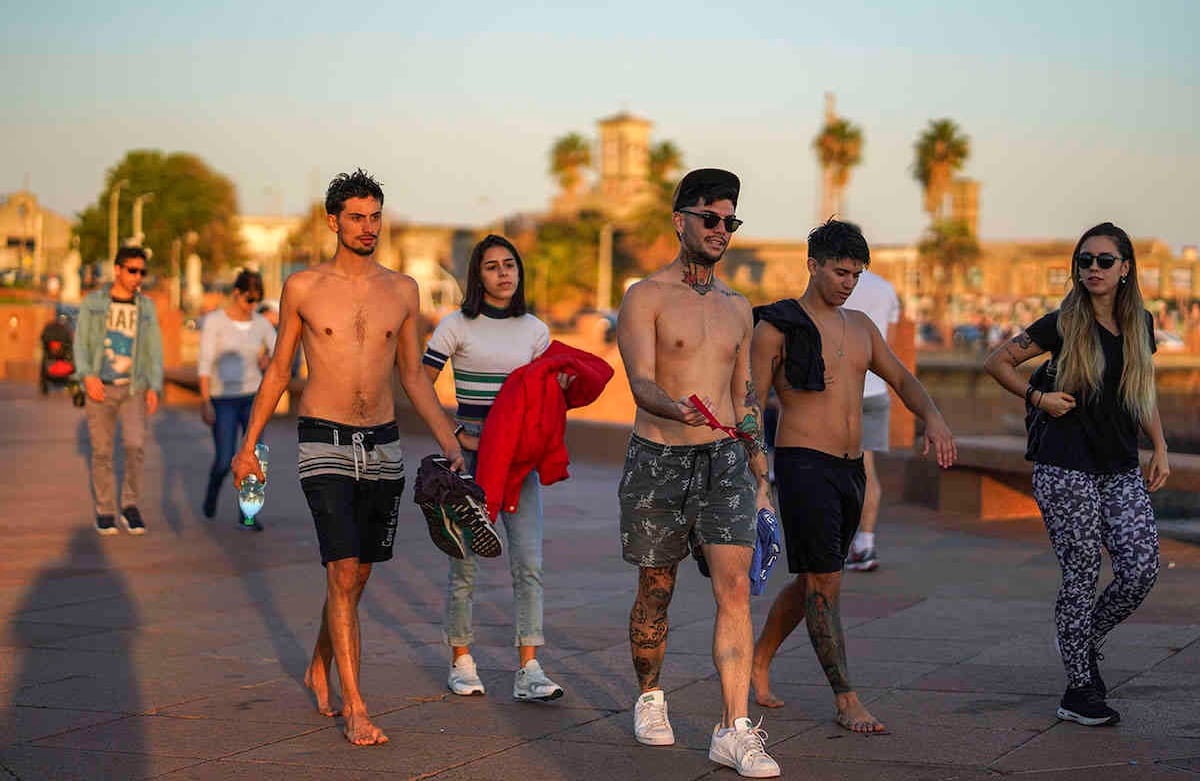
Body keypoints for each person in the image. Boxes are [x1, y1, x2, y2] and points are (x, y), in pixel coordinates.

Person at [231, 169, 463, 746]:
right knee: (340, 569)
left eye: (375, 216)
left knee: (357, 575)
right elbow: (280, 372)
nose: (368, 227)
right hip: (322, 440)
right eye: (357, 217)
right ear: (333, 221)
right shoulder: (303, 287)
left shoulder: (403, 290)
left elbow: (413, 377)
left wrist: (450, 441)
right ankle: (357, 704)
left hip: (382, 445)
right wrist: (248, 446)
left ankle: (317, 662)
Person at [748, 219, 956, 733]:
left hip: (849, 468)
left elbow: (902, 377)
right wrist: (755, 474)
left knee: (815, 578)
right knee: (825, 582)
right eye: (840, 272)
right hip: (802, 464)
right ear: (813, 264)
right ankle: (846, 698)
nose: (848, 283)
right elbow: (749, 402)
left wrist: (932, 415)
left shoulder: (862, 325)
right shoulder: (777, 326)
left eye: (857, 275)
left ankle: (757, 659)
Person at [616, 168, 780, 778]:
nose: (721, 230)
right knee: (656, 590)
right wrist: (673, 404)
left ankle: (733, 730)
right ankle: (651, 695)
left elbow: (744, 394)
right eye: (709, 218)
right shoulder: (646, 296)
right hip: (660, 457)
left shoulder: (739, 307)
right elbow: (639, 381)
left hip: (725, 462)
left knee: (734, 589)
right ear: (680, 219)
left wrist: (760, 463)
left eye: (729, 221)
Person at [984, 222, 1168, 727]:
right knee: (1083, 575)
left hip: (1120, 467)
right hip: (1066, 468)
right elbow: (997, 361)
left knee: (1140, 570)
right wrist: (1038, 396)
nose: (1093, 269)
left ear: (1125, 268)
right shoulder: (1062, 322)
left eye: (1104, 261)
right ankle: (1079, 687)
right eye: (1084, 261)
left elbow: (1142, 390)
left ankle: (1082, 643)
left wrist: (1160, 446)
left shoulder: (1140, 324)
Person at [421, 234, 565, 702]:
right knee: (464, 566)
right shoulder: (455, 326)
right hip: (471, 461)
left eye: (510, 265)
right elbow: (420, 385)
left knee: (529, 564)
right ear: (476, 276)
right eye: (492, 267)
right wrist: (454, 436)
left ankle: (529, 668)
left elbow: (544, 399)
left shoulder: (535, 331)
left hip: (517, 465)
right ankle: (461, 660)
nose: (503, 273)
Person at [75, 246, 163, 536]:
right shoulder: (93, 303)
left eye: (142, 271)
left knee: (135, 446)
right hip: (100, 387)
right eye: (132, 270)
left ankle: (130, 505)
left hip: (133, 388)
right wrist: (87, 376)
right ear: (117, 269)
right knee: (101, 452)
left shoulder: (146, 307)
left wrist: (154, 385)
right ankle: (105, 510)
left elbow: (153, 349)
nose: (138, 277)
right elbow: (81, 343)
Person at [199, 270, 276, 530]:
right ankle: (212, 492)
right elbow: (205, 363)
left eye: (256, 301)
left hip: (252, 397)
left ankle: (248, 513)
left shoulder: (261, 324)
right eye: (248, 299)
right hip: (222, 399)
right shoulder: (215, 322)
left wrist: (268, 361)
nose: (251, 306)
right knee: (224, 459)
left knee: (255, 457)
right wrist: (205, 400)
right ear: (236, 293)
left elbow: (280, 353)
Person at [842, 268, 901, 571]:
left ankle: (838, 543)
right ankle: (865, 543)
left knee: (835, 470)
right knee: (867, 470)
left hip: (841, 392)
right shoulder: (887, 288)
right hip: (876, 390)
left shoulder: (833, 281)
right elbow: (887, 345)